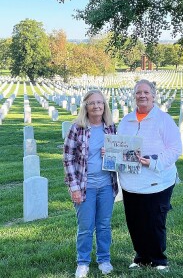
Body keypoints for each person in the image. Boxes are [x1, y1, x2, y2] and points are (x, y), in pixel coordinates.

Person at [117, 79, 182, 272]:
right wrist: (109, 153)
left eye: (146, 92)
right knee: (135, 221)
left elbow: (175, 149)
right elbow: (120, 146)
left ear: (153, 96)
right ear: (134, 96)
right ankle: (141, 258)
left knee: (154, 221)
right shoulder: (126, 120)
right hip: (131, 182)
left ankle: (159, 260)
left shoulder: (164, 120)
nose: (142, 96)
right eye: (138, 93)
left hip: (158, 181)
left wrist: (152, 162)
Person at [63, 89, 118, 278]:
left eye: (100, 103)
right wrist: (74, 188)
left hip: (106, 185)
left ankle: (104, 259)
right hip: (85, 186)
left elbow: (119, 157)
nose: (97, 106)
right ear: (86, 106)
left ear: (105, 106)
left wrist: (109, 154)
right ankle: (83, 262)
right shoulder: (76, 128)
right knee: (86, 227)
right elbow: (68, 159)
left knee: (104, 225)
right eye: (93, 103)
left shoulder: (111, 128)